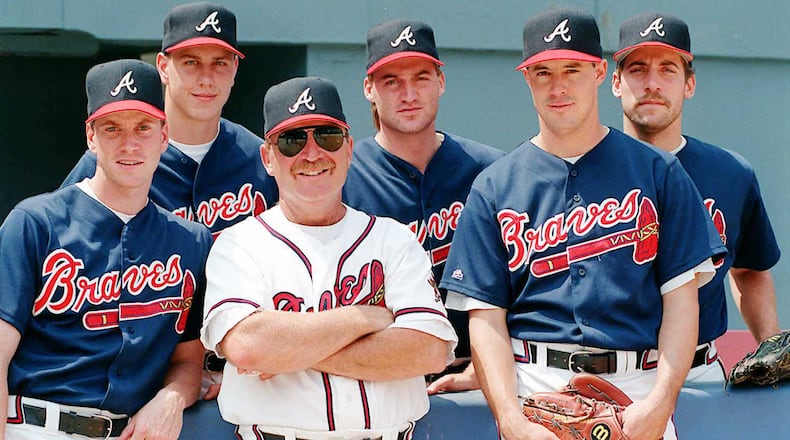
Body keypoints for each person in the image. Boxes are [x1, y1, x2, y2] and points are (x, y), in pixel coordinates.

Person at [440, 8, 726, 440]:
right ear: (526, 79)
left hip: (637, 386)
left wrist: (660, 404)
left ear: (598, 72)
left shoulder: (658, 172)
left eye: (571, 69)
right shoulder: (495, 186)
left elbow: (683, 303)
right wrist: (510, 420)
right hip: (533, 384)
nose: (557, 86)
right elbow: (485, 318)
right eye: (542, 72)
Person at [200, 76, 458, 440]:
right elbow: (248, 346)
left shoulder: (394, 239)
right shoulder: (239, 244)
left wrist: (289, 350)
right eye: (292, 140)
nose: (312, 153)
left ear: (349, 149)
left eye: (327, 136)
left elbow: (427, 351)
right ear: (268, 158)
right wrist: (368, 317)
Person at [62, 1, 278, 398]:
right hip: (148, 376)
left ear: (235, 70)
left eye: (220, 63)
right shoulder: (117, 160)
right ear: (163, 66)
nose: (206, 78)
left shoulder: (262, 159)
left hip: (249, 371)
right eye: (191, 62)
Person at [0, 59, 212, 439]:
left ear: (164, 135)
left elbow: (187, 359)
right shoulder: (34, 222)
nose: (129, 143)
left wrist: (172, 398)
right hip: (37, 425)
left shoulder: (191, 241)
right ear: (91, 137)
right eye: (112, 128)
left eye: (143, 127)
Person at [611, 12, 781, 383]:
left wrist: (770, 345)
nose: (652, 83)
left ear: (689, 84)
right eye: (637, 69)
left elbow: (750, 269)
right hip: (606, 372)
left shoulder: (730, 173)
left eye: (668, 70)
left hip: (697, 371)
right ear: (615, 83)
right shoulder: (584, 168)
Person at [343, 19, 504, 390]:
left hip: (478, 374)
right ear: (369, 89)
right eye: (392, 81)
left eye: (421, 78)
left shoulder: (490, 171)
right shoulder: (343, 176)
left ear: (441, 82)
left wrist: (488, 368)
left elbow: (523, 283)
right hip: (375, 375)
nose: (408, 94)